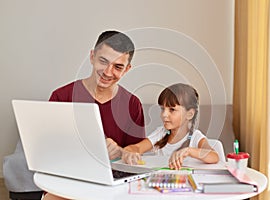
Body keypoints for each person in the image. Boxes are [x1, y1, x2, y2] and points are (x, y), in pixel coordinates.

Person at [43, 31, 146, 200]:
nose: (108, 72)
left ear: (127, 69)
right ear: (92, 57)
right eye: (103, 61)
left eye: (118, 67)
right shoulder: (61, 97)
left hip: (112, 186)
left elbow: (136, 158)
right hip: (68, 182)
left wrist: (120, 152)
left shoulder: (133, 104)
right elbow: (48, 153)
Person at [122, 83, 219, 170]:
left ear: (189, 114)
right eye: (162, 109)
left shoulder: (195, 137)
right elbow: (137, 148)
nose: (164, 114)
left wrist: (188, 151)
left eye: (172, 110)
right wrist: (131, 152)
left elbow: (214, 156)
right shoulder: (161, 133)